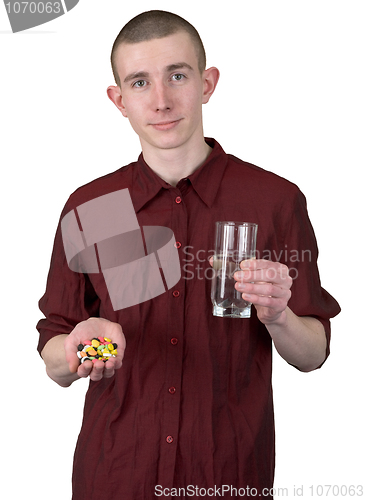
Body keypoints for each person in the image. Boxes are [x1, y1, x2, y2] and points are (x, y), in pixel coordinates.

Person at [37, 10, 340, 500]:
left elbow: (315, 353)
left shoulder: (272, 201)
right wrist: (76, 347)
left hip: (229, 476)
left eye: (177, 75)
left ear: (207, 83)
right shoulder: (93, 208)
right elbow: (54, 350)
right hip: (115, 475)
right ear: (119, 100)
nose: (161, 101)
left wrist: (279, 317)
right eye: (140, 82)